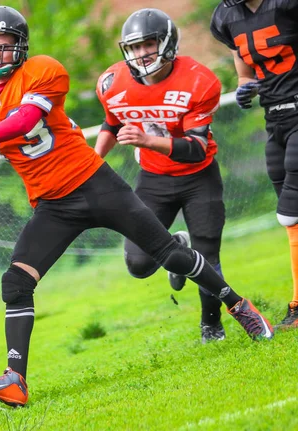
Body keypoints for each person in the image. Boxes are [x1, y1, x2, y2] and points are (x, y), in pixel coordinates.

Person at [0, 5, 273, 408]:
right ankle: (14, 380)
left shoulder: (44, 69)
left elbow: (24, 121)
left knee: (168, 254)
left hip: (93, 184)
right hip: (51, 203)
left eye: (5, 45)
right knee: (16, 283)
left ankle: (238, 305)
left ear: (20, 48)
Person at [95, 8, 227, 344]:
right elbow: (112, 125)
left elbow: (197, 148)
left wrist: (146, 140)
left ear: (167, 43)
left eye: (149, 44)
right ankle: (176, 248)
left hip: (199, 177)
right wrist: (92, 162)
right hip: (154, 179)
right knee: (138, 263)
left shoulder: (199, 80)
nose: (142, 54)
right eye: (135, 47)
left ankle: (211, 327)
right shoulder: (112, 83)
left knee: (208, 254)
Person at [211, 0, 298, 330]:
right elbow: (245, 72)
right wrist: (245, 87)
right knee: (291, 213)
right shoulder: (226, 16)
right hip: (275, 121)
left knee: (291, 213)